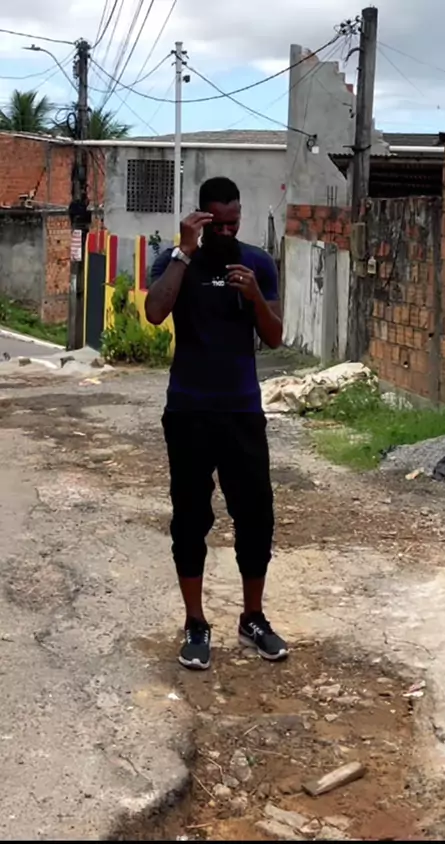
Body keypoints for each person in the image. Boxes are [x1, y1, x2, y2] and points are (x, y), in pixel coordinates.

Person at [146, 176, 288, 670]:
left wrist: (254, 297)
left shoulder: (258, 263)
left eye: (234, 222)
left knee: (256, 515)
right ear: (202, 219)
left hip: (242, 409)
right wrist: (185, 253)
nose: (227, 231)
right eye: (218, 224)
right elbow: (155, 311)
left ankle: (253, 617)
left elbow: (275, 337)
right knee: (190, 518)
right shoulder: (175, 261)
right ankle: (195, 623)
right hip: (188, 409)